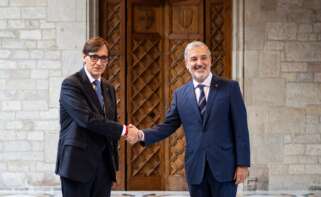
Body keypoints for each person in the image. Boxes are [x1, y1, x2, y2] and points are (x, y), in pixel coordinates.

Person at [127, 41, 250, 197]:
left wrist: (243, 164)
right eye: (194, 59)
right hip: (196, 170)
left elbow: (241, 129)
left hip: (225, 169)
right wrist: (140, 134)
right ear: (186, 64)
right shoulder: (180, 95)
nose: (199, 63)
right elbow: (167, 126)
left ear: (210, 60)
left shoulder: (230, 88)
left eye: (203, 58)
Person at [55, 36, 137, 197]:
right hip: (77, 165)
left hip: (104, 166)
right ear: (84, 57)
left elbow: (108, 121)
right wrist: (125, 130)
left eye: (104, 58)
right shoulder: (71, 84)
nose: (99, 63)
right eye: (94, 57)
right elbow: (87, 120)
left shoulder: (108, 88)